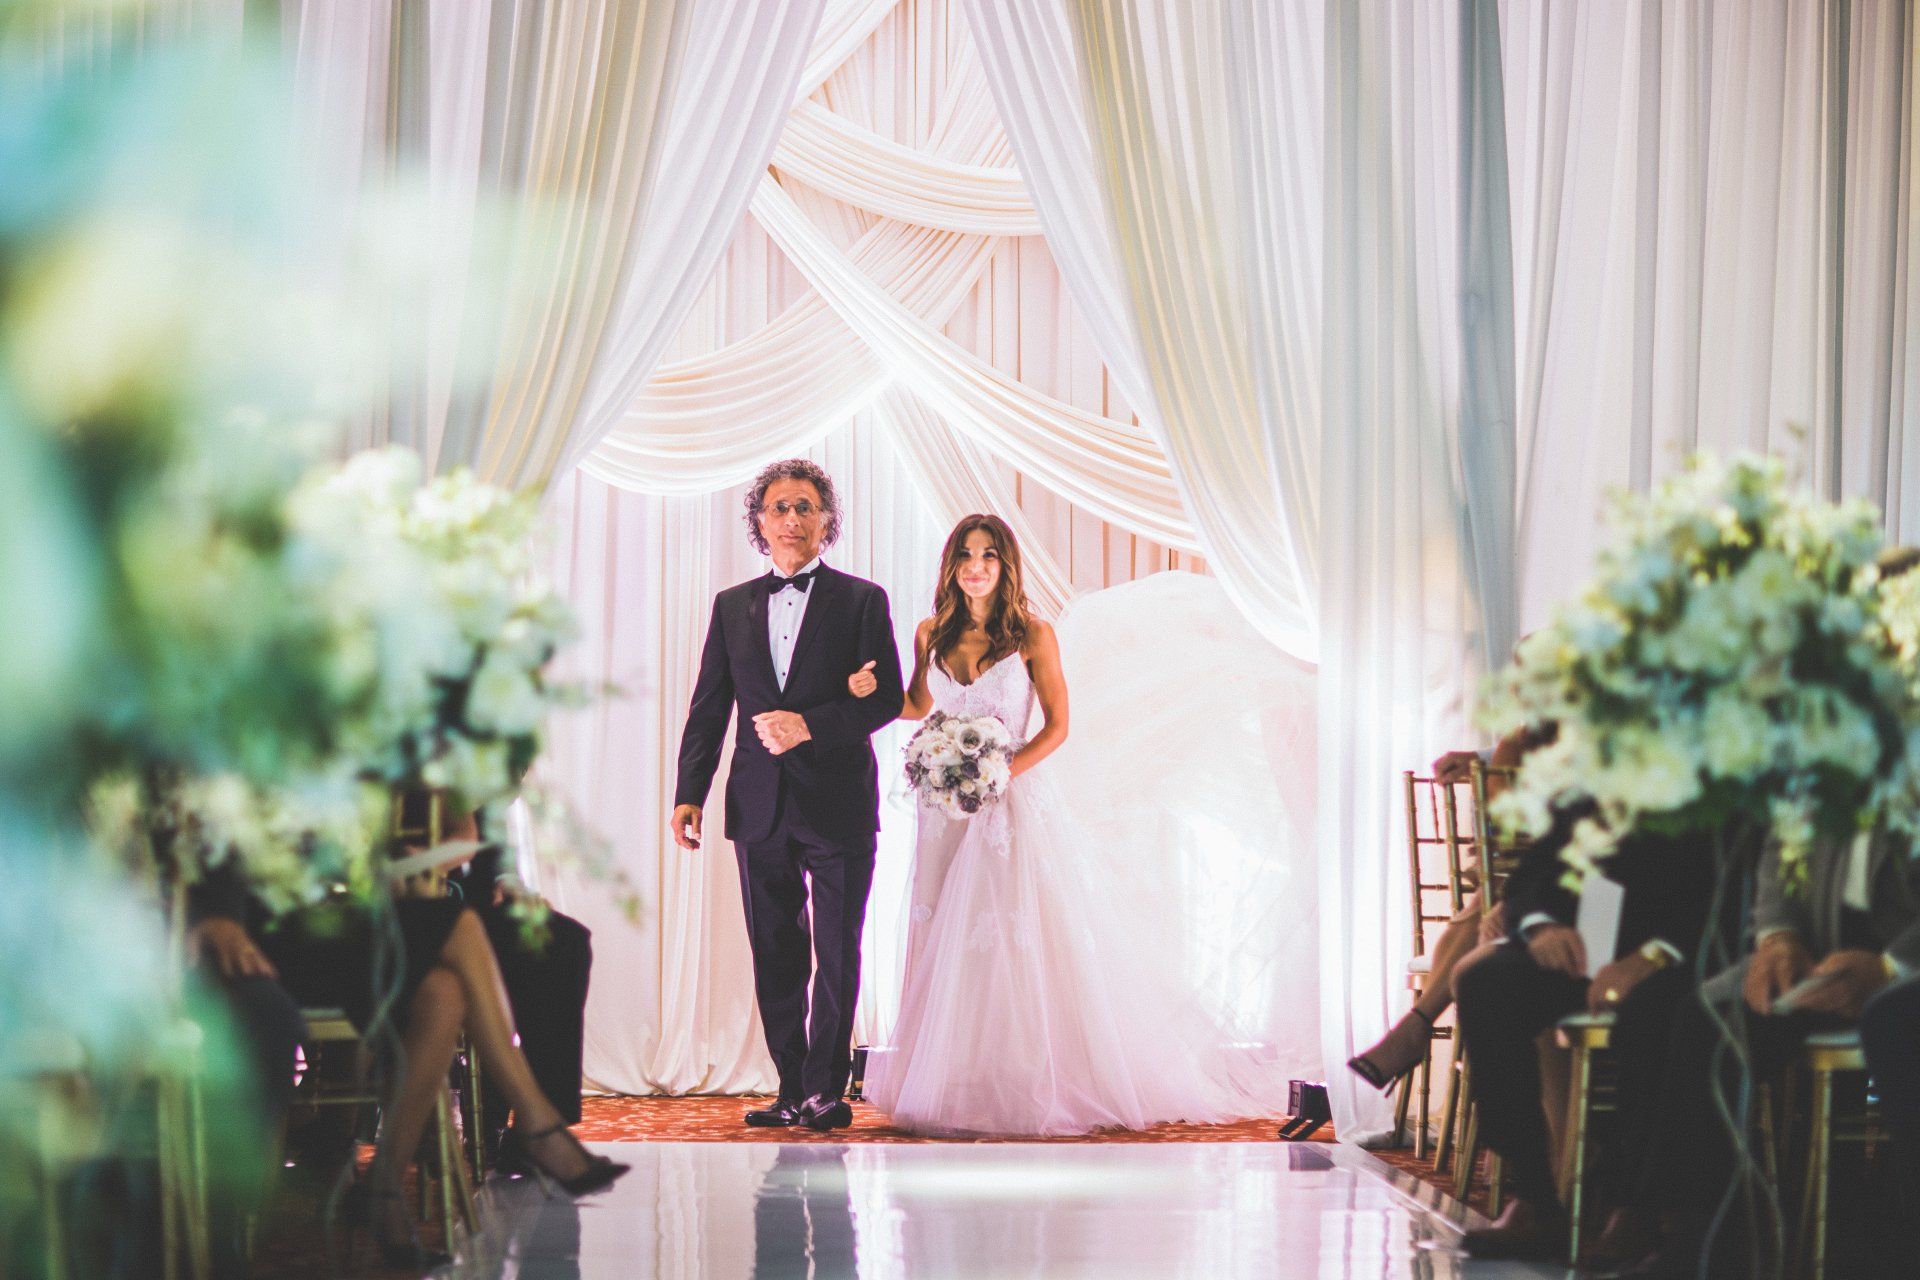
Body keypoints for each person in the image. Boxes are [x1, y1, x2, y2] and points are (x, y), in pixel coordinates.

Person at [850, 515, 1306, 1136]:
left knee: (1009, 940)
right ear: (950, 565)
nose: (976, 566)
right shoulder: (931, 632)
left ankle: (1026, 1080)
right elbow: (917, 707)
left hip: (1009, 807)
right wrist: (866, 692)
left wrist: (1002, 773)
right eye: (965, 555)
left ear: (1006, 567)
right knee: (945, 943)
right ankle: (955, 1080)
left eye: (988, 555)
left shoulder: (1033, 634)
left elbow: (1058, 726)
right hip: (944, 813)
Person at [671, 459, 905, 1132]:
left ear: (827, 521)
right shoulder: (730, 606)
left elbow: (887, 697)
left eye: (806, 506)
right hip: (758, 804)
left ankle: (826, 1091)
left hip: (836, 802)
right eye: (780, 507)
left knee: (836, 952)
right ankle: (789, 1086)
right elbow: (709, 705)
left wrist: (811, 723)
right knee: (774, 951)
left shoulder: (863, 601)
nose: (793, 518)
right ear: (759, 523)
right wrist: (691, 790)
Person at [1452, 804, 1721, 1261]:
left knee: (1653, 1010)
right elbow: (1534, 868)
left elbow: (1717, 883)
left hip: (1680, 953)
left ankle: (1634, 1207)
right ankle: (1536, 1194)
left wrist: (1648, 959)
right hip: (1585, 941)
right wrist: (1542, 926)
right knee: (1487, 982)